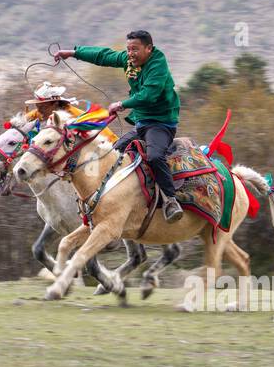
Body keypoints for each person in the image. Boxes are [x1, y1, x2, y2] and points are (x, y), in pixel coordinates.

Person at [54, 29, 184, 222]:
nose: (131, 53)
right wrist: (73, 53)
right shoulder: (130, 60)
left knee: (155, 156)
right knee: (112, 154)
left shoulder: (158, 65)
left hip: (161, 123)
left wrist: (122, 104)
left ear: (149, 48)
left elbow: (149, 94)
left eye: (136, 49)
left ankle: (171, 200)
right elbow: (103, 56)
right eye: (128, 49)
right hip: (141, 123)